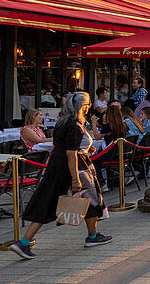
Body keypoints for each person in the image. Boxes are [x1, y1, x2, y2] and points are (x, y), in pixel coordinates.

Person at [10, 91, 111, 259]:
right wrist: (75, 179)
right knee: (89, 199)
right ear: (81, 106)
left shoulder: (63, 123)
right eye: (87, 105)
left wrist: (85, 149)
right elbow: (71, 153)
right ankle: (92, 236)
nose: (89, 108)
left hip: (58, 166)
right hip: (75, 168)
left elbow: (66, 147)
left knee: (51, 201)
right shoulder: (74, 125)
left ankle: (25, 241)